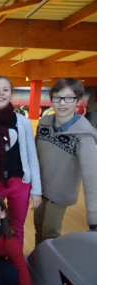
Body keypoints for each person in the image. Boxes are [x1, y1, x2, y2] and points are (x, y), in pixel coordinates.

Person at [0, 76, 42, 247]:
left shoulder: (23, 122)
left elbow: (32, 156)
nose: (1, 93)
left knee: (16, 227)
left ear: (11, 93)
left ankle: (15, 262)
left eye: (5, 89)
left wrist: (37, 190)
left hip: (21, 182)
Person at [34, 78, 97, 245]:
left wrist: (94, 217)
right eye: (57, 97)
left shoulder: (83, 135)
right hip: (40, 188)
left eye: (69, 98)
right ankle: (38, 264)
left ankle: (48, 267)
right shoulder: (44, 123)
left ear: (77, 100)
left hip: (60, 192)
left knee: (49, 233)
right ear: (51, 99)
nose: (62, 103)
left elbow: (92, 178)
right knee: (38, 228)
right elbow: (33, 154)